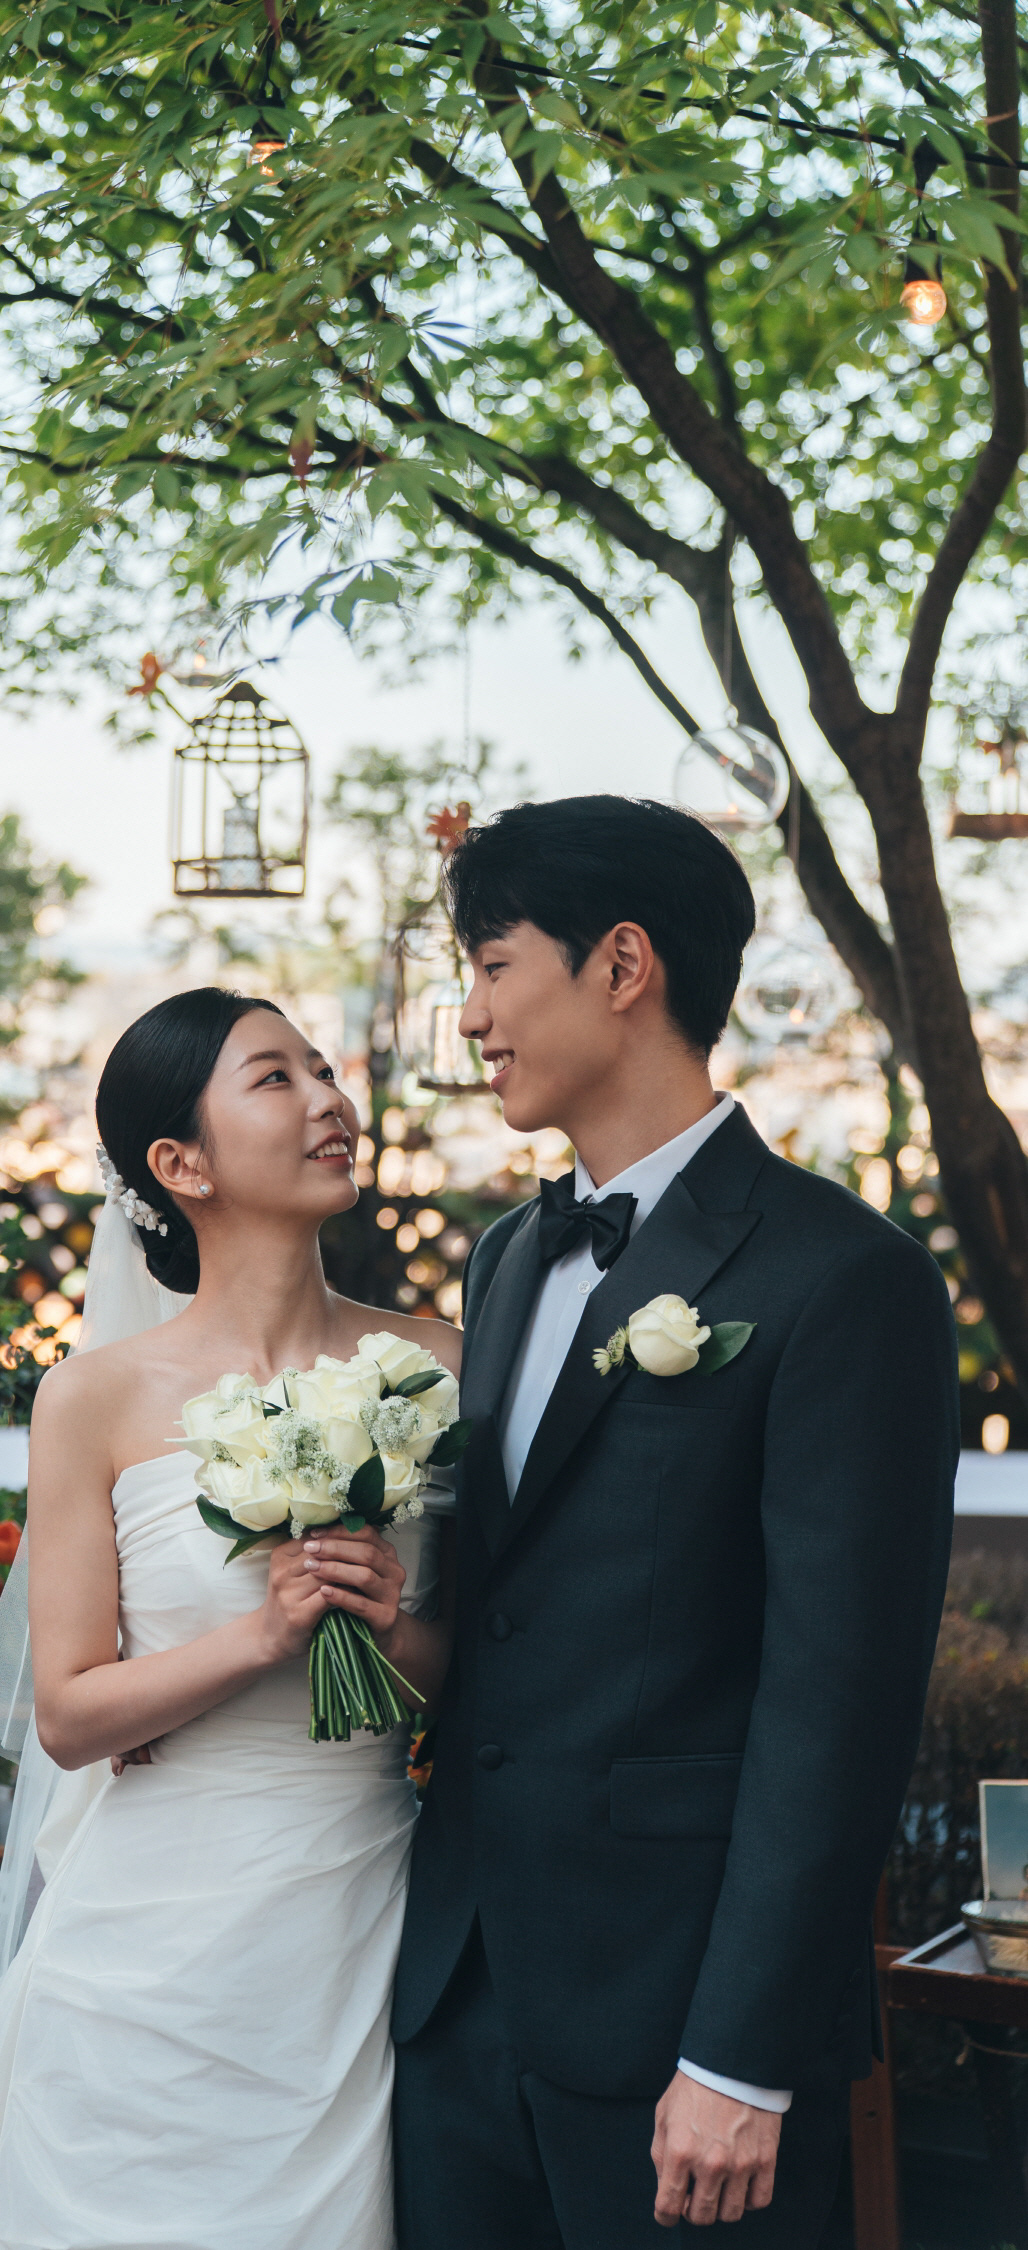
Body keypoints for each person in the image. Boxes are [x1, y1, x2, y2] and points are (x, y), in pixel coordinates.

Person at [392, 796, 957, 2247]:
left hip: (685, 2038)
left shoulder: (848, 1279)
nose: (472, 1016)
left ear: (623, 964)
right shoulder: (507, 1257)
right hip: (458, 2010)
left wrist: (740, 2056)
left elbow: (837, 1705)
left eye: (493, 965)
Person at [0, 988, 460, 2250]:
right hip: (144, 1948)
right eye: (276, 1077)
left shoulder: (442, 1365)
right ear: (180, 1163)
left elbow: (487, 1672)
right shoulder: (91, 1399)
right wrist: (259, 1636)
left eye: (325, 1069)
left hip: (358, 1920)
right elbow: (68, 1714)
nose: (330, 1100)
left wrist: (385, 1627)